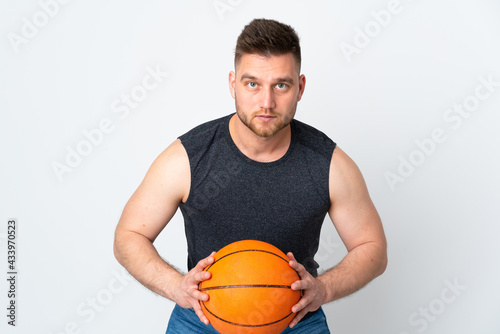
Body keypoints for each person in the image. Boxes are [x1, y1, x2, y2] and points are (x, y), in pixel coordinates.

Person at [114, 18, 387, 333]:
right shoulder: (187, 158)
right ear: (233, 84)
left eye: (281, 85)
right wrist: (177, 287)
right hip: (203, 318)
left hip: (296, 319)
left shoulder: (328, 165)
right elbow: (128, 236)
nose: (266, 102)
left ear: (300, 87)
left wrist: (323, 288)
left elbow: (372, 247)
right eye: (252, 84)